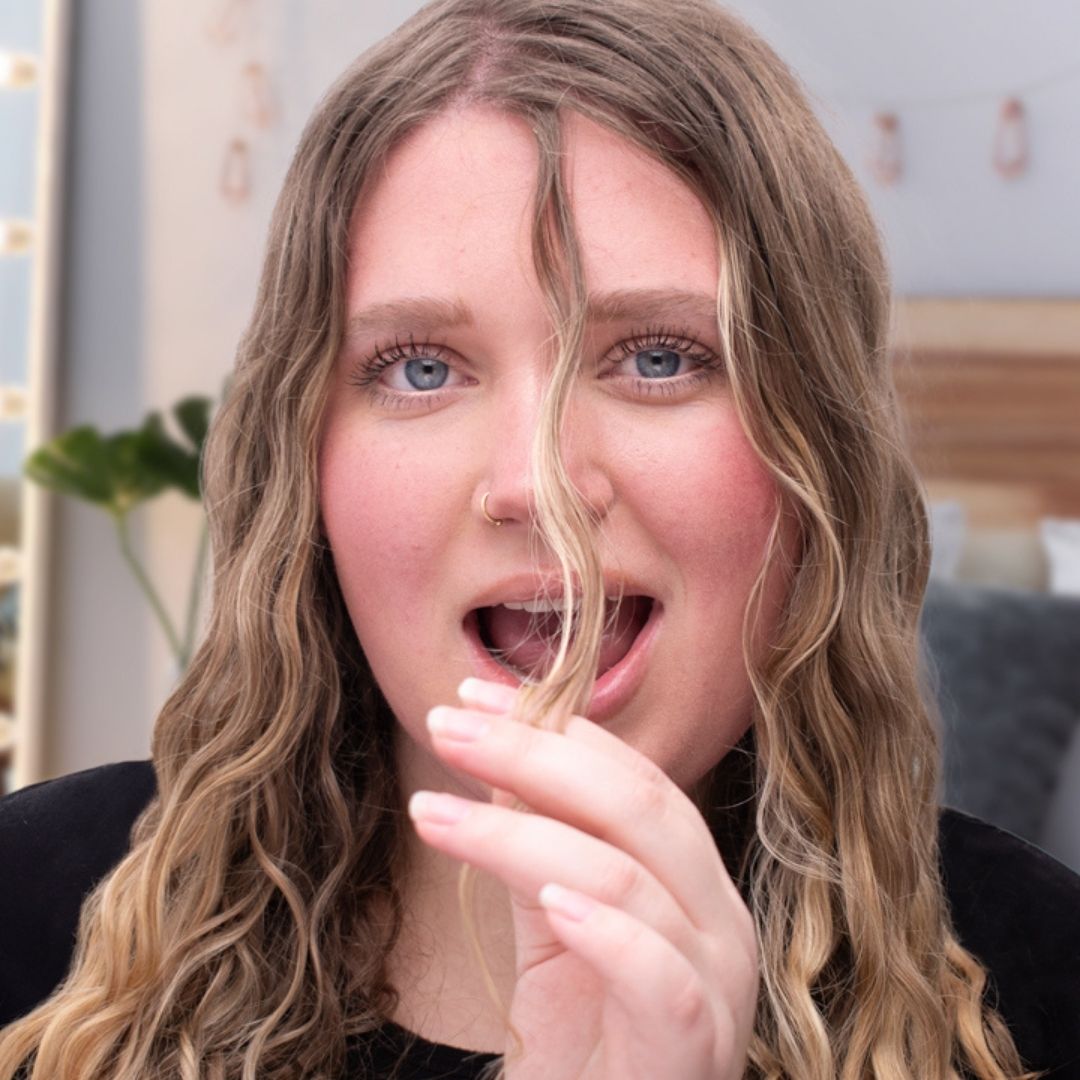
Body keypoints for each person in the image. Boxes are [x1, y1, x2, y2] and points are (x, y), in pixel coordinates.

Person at [1, 0, 1079, 1077]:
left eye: (658, 357)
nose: (536, 483)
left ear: (821, 460)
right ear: (303, 463)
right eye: (422, 367)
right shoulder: (29, 904)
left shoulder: (1050, 982)